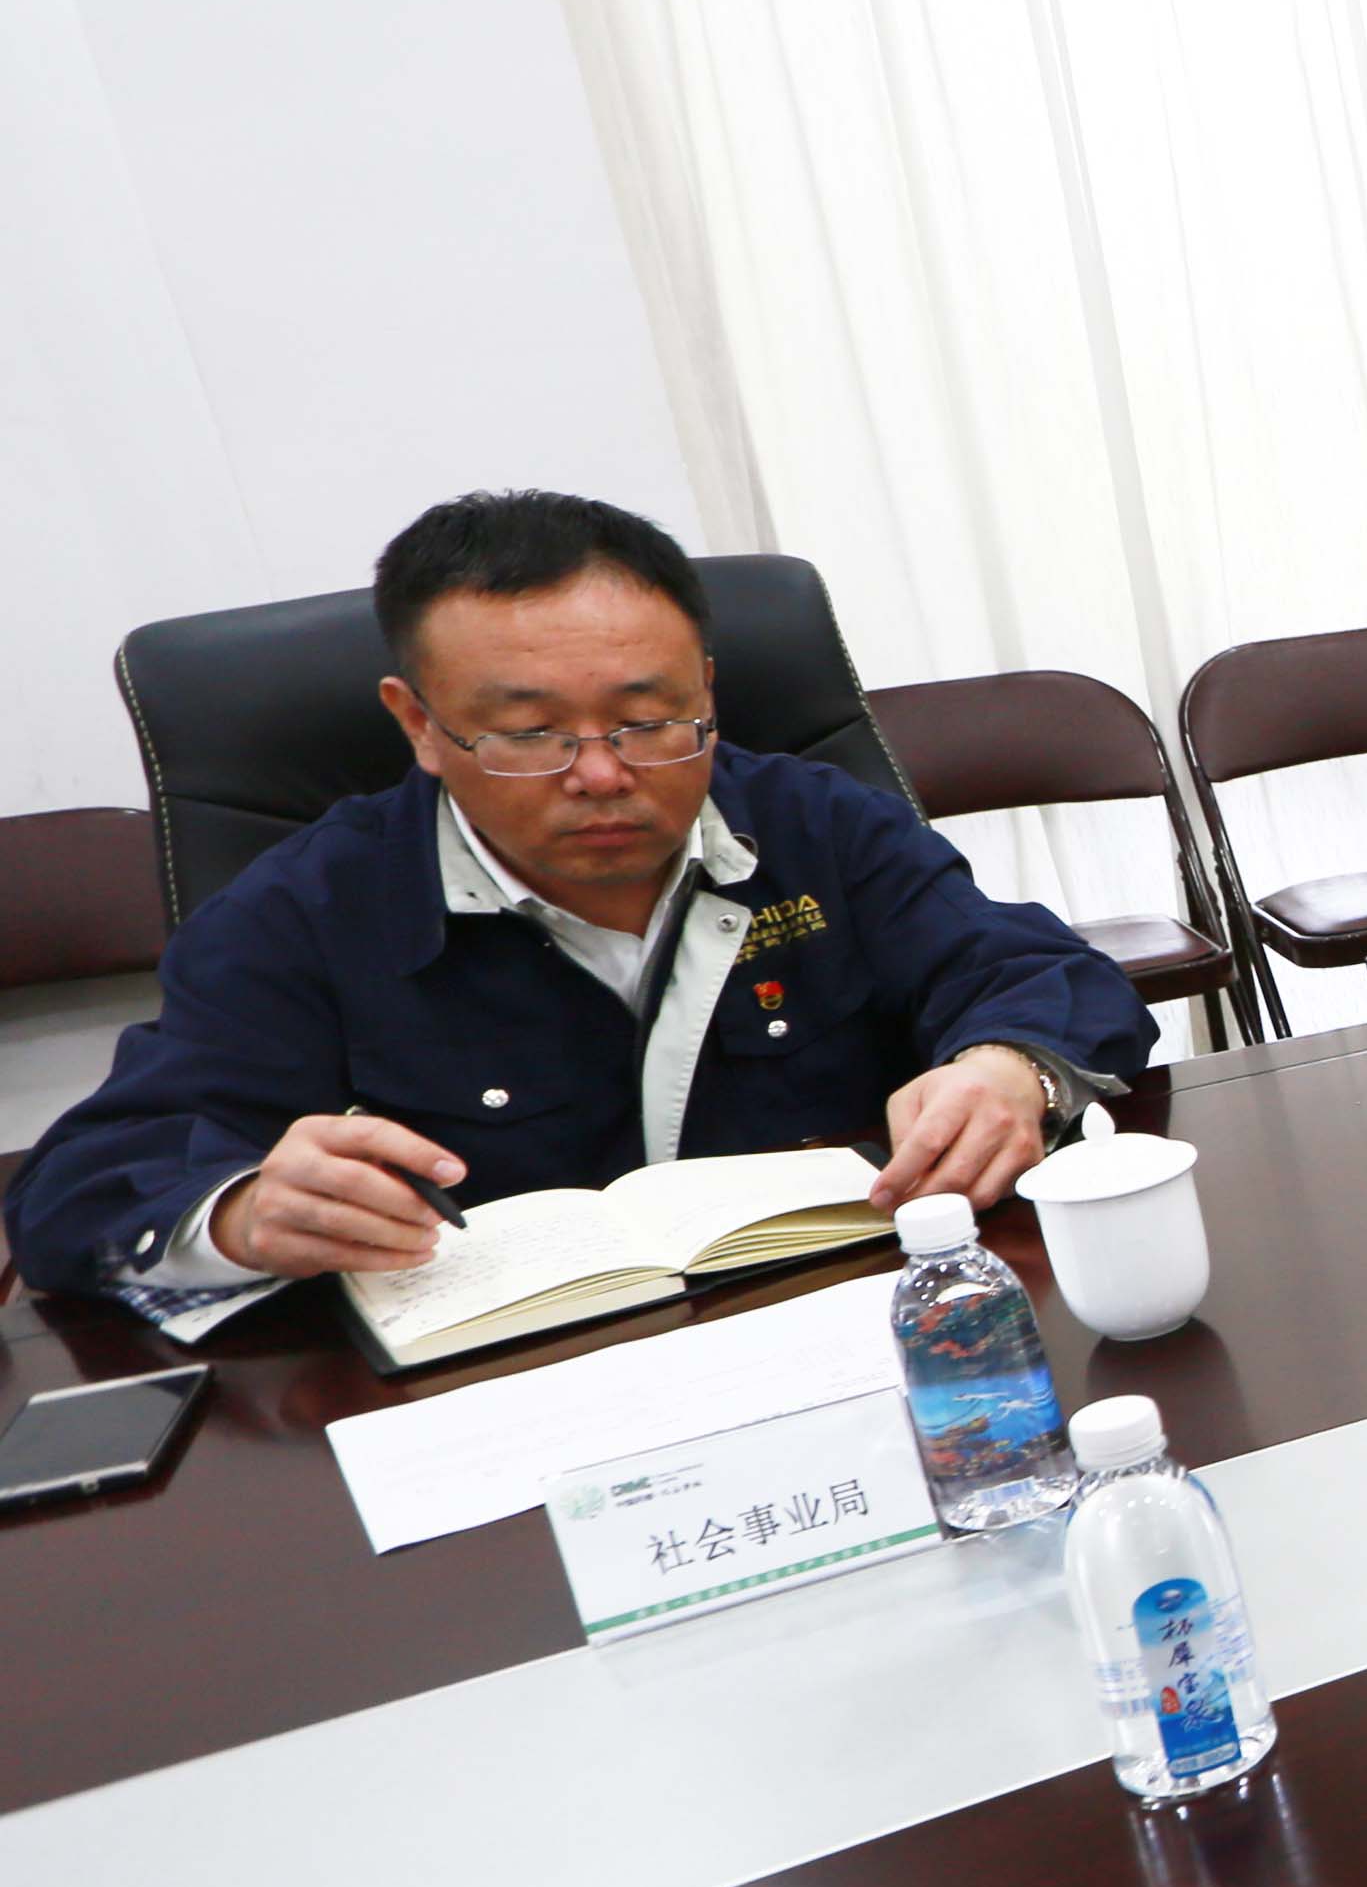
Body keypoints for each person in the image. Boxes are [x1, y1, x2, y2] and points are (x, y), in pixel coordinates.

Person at [7, 491, 1152, 1313]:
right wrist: (243, 1210)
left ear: (708, 688)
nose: (602, 773)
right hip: (506, 1387)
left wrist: (1011, 1067)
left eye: (649, 719)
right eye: (528, 731)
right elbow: (79, 1189)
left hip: (849, 1315)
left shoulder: (811, 822)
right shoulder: (305, 908)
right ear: (418, 723)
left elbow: (1034, 971)